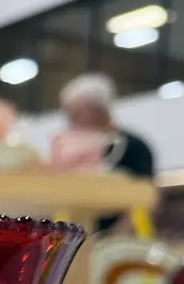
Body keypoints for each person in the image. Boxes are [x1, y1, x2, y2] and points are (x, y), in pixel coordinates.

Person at [59, 73, 155, 230]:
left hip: (124, 236)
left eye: (76, 113)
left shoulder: (132, 147)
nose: (71, 121)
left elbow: (145, 198)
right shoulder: (69, 151)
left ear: (98, 110)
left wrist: (112, 237)